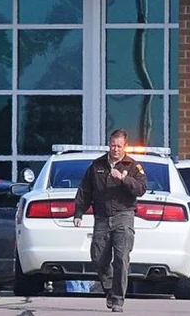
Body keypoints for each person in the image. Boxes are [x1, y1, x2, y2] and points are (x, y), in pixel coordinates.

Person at [72, 129, 147, 313]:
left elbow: (141, 188)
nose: (115, 149)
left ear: (125, 146)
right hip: (102, 217)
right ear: (109, 145)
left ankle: (118, 300)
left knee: (122, 258)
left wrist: (123, 179)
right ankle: (109, 289)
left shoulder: (133, 166)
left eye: (119, 146)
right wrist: (79, 212)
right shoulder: (97, 166)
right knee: (98, 257)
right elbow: (85, 190)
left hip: (124, 216)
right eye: (113, 145)